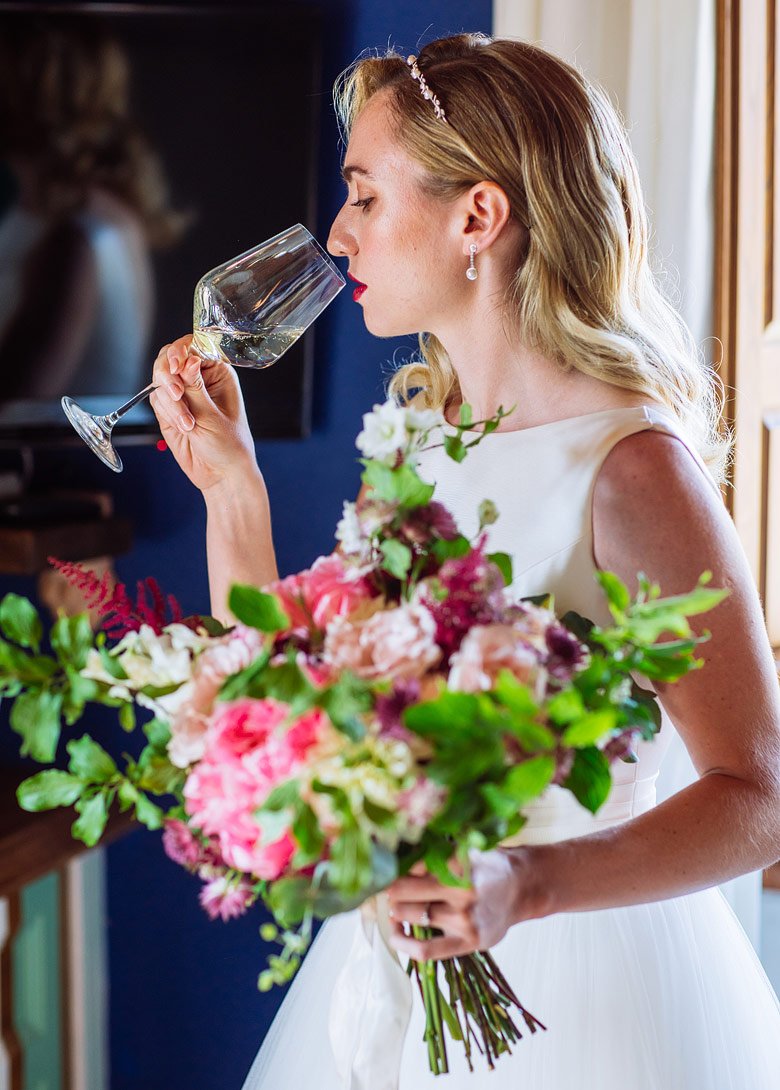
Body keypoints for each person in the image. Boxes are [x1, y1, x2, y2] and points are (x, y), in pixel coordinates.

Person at [149, 32, 780, 1090]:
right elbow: (296, 713)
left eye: (364, 196)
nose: (339, 233)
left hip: (577, 1000)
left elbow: (760, 790)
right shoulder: (421, 448)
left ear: (477, 216)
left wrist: (523, 882)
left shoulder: (630, 471)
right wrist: (232, 493)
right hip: (387, 979)